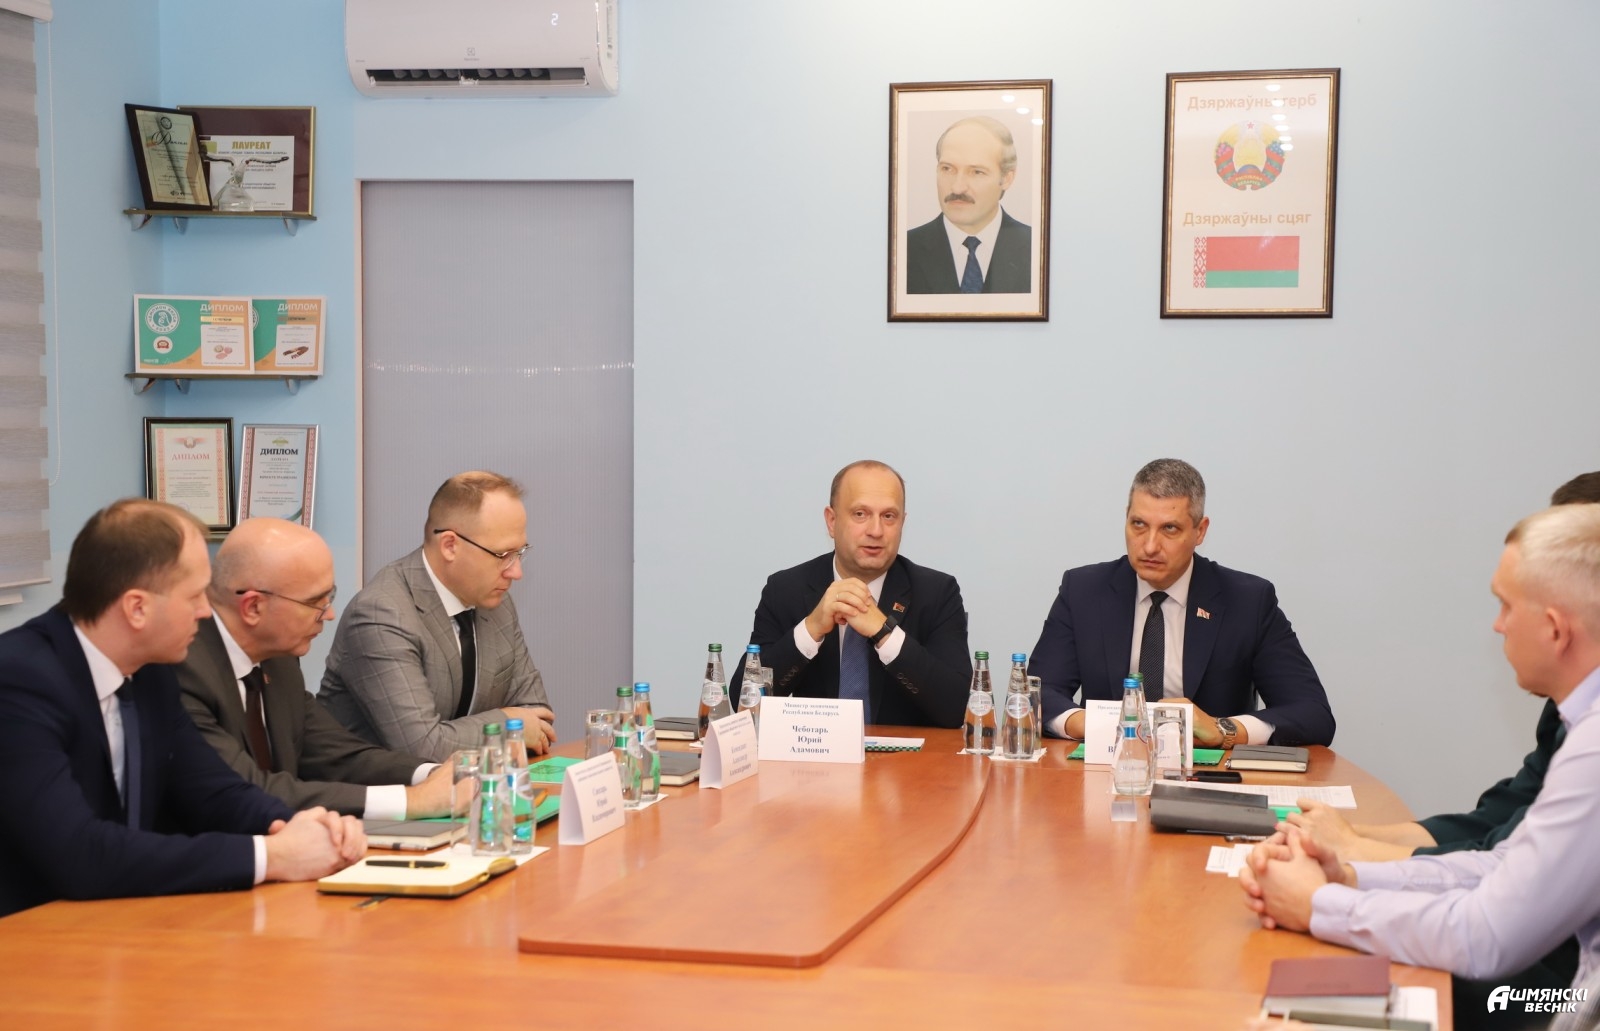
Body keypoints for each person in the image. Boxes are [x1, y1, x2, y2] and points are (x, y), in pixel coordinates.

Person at [1239, 503, 1600, 1009]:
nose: (1497, 626)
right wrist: (1350, 877)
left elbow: (1486, 936)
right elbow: (1501, 864)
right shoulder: (1581, 726)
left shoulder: (1593, 749)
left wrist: (1317, 903)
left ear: (1556, 630)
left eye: (1506, 606)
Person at [0, 499, 365, 918]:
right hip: (26, 928)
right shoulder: (19, 682)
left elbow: (212, 788)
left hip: (114, 921)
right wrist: (271, 856)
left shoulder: (150, 671)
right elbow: (79, 854)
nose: (206, 611)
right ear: (137, 608)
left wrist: (301, 826)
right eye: (194, 596)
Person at [1030, 458, 1335, 747]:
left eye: (1169, 529)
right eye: (1139, 524)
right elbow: (1037, 693)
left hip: (1207, 772)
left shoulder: (1248, 601)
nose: (1150, 546)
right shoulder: (1084, 591)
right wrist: (1086, 723)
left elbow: (1312, 712)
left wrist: (1222, 729)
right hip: (1107, 766)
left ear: (1200, 531)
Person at [178, 517, 455, 818]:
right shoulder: (182, 671)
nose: (330, 614)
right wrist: (413, 801)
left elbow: (336, 755)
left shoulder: (279, 659)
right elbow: (245, 790)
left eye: (329, 597)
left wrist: (435, 775)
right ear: (254, 607)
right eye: (315, 602)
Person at [320, 471, 556, 762]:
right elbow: (423, 748)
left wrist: (514, 725)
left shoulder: (496, 602)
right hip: (377, 789)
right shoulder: (382, 614)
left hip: (470, 785)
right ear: (450, 546)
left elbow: (538, 720)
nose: (515, 572)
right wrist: (509, 725)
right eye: (503, 555)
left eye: (520, 552)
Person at [729, 460, 971, 728]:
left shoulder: (937, 593)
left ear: (902, 523)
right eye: (860, 514)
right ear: (831, 521)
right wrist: (809, 630)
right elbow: (744, 702)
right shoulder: (786, 589)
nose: (876, 531)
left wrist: (885, 633)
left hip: (905, 754)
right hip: (814, 751)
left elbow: (956, 708)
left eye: (888, 516)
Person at [905, 116, 1032, 294]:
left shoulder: (1036, 249)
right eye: (947, 169)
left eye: (977, 172)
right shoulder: (904, 250)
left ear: (1006, 178)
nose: (957, 187)